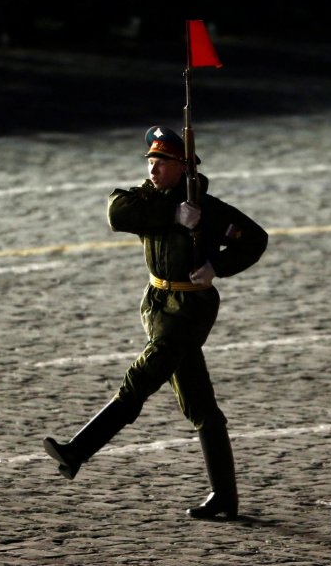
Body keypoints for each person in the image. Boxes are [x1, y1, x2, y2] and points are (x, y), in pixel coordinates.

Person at [42, 126, 268, 518]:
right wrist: (171, 213)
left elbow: (254, 239)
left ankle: (78, 450)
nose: (153, 169)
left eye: (161, 163)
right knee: (200, 406)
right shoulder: (149, 202)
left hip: (190, 308)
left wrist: (217, 265)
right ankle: (225, 497)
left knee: (140, 379)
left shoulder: (208, 209)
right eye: (150, 162)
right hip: (158, 303)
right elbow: (116, 212)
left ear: (183, 167)